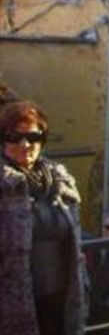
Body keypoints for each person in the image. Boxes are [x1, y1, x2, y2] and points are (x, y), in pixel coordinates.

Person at [0, 100, 88, 334]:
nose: (25, 144)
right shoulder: (4, 184)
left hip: (61, 296)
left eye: (33, 137)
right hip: (11, 303)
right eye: (14, 137)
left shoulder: (60, 179)